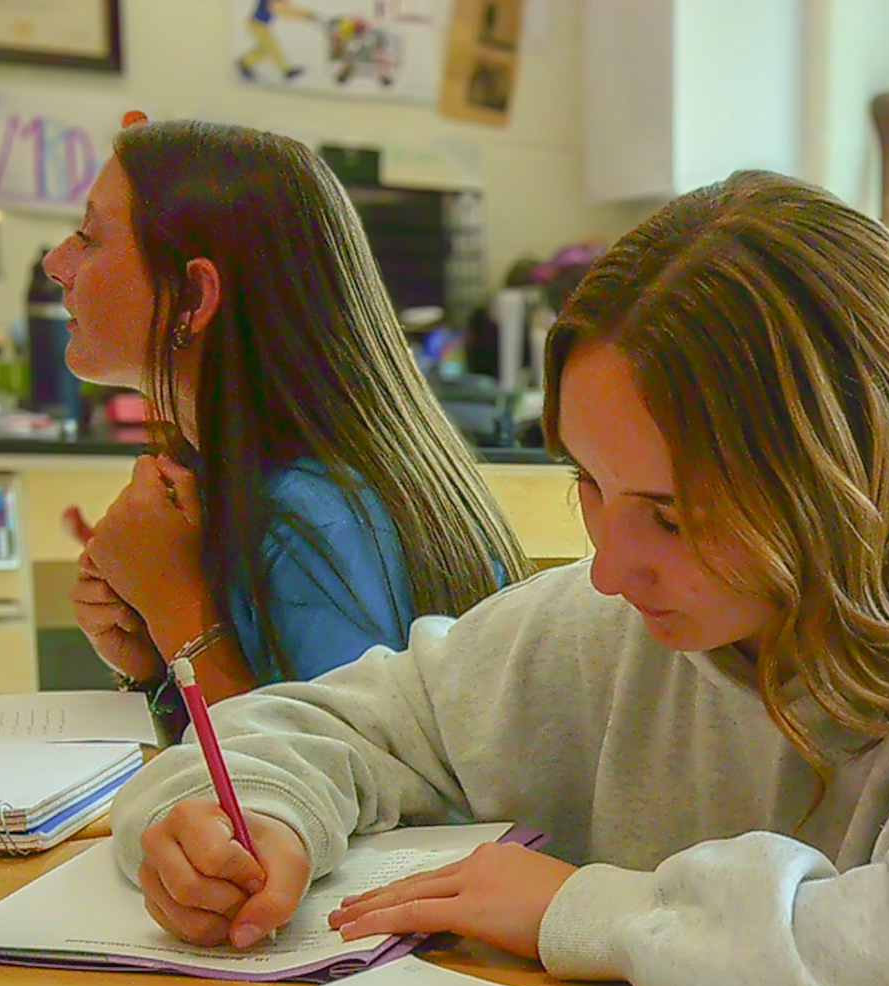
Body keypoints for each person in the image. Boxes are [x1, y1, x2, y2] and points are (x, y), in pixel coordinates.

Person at [109, 170, 889, 986]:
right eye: (590, 482)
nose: (613, 567)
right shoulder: (615, 624)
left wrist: (582, 911)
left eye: (674, 513)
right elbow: (346, 724)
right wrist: (246, 814)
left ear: (843, 485)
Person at [43, 119, 529, 724]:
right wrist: (154, 660)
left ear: (193, 297)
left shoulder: (315, 521)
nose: (56, 263)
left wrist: (176, 609)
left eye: (90, 237)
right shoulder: (263, 488)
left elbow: (322, 788)